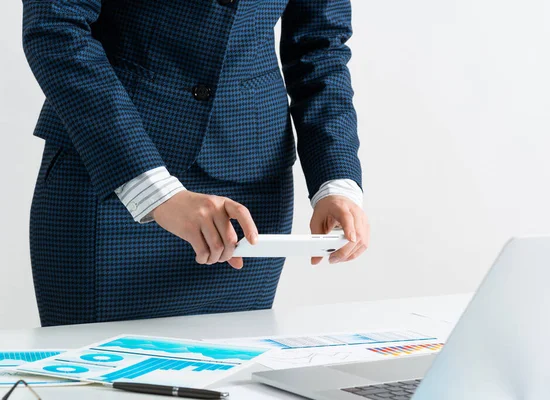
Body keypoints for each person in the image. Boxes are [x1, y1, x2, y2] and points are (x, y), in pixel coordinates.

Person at [23, 0, 369, 327]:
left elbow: (319, 47)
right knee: (101, 381)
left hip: (250, 185)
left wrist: (335, 182)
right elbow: (55, 27)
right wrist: (155, 192)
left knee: (235, 376)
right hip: (113, 174)